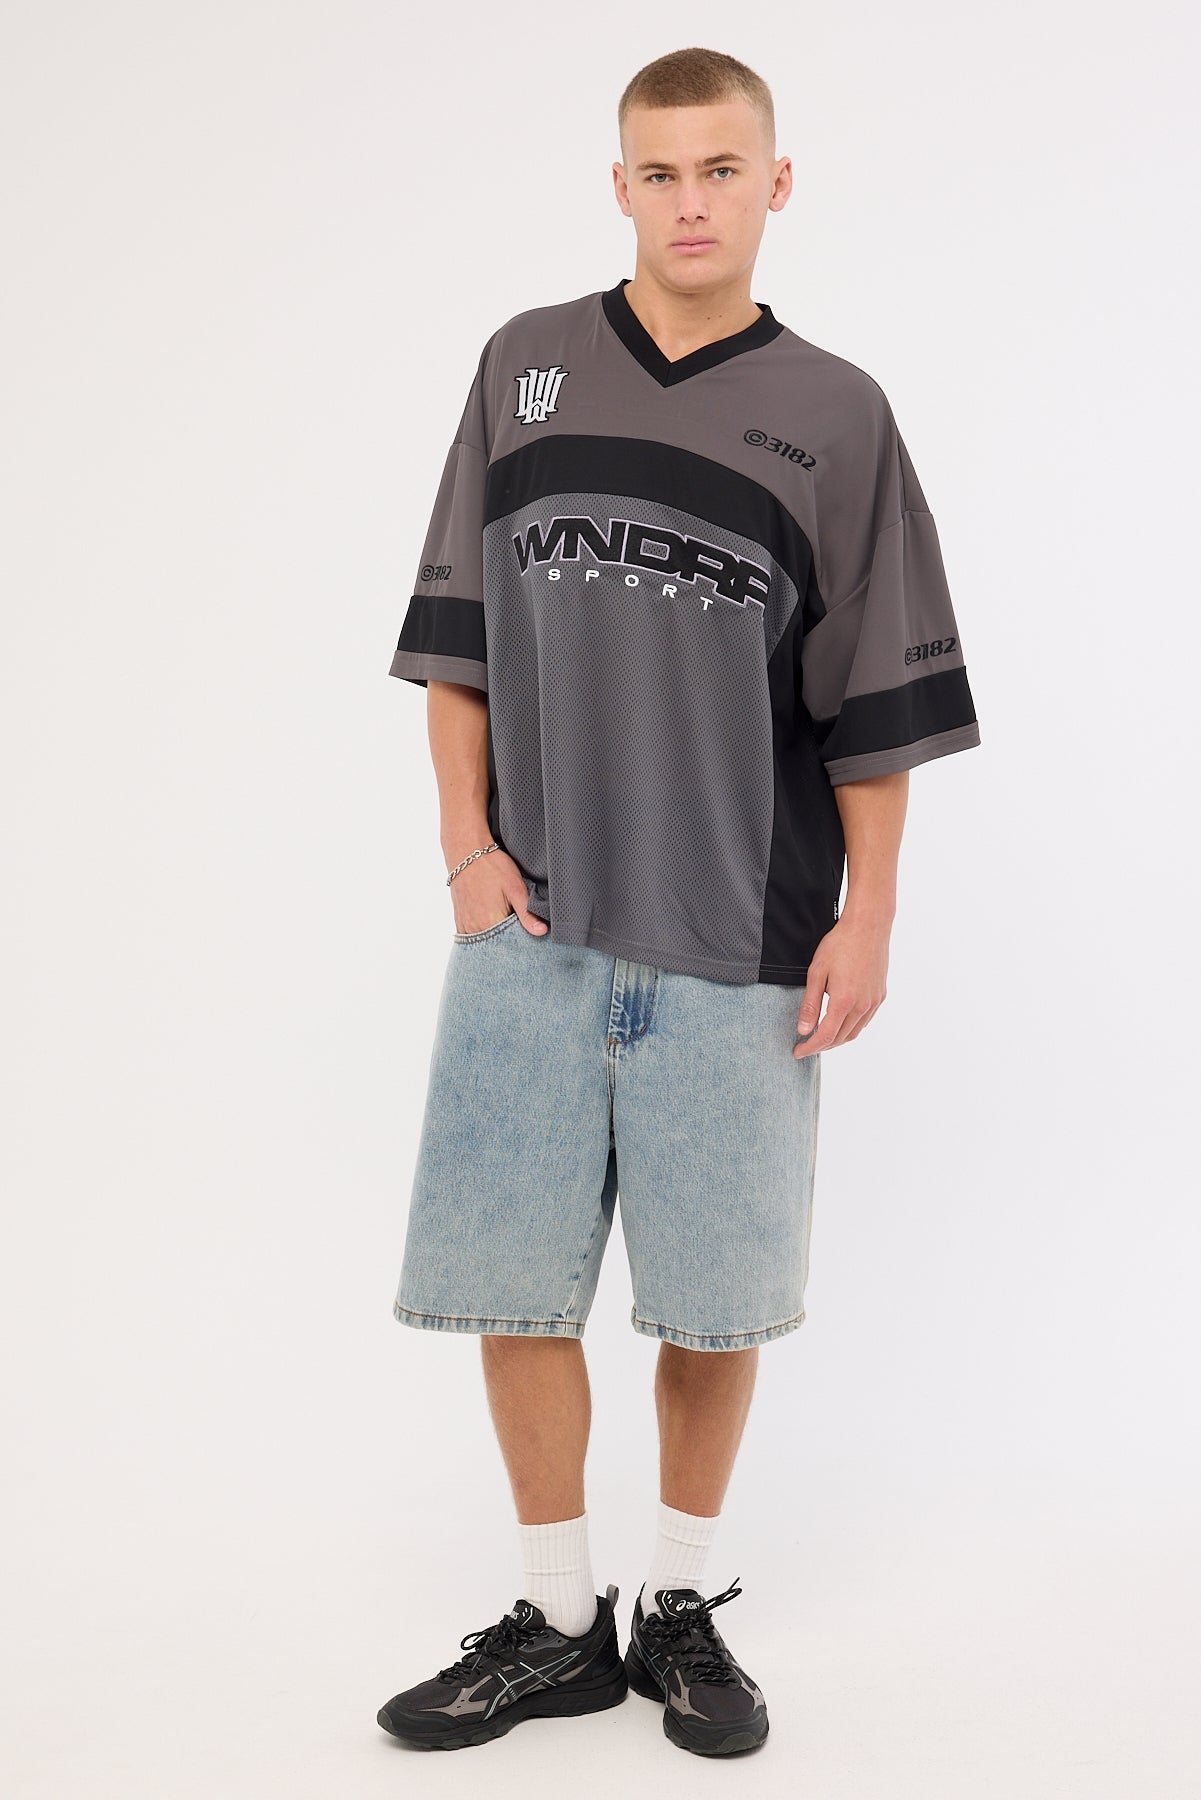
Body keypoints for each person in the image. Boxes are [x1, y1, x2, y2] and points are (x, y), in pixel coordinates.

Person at [376, 45, 981, 1758]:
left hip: (739, 940)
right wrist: (466, 850)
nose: (690, 202)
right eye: (659, 172)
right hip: (532, 931)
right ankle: (559, 1622)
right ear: (619, 185)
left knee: (713, 1307)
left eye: (721, 170)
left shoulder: (837, 415)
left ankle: (682, 1604)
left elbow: (871, 704)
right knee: (512, 1289)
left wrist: (869, 915)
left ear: (774, 184)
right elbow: (455, 643)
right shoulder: (525, 366)